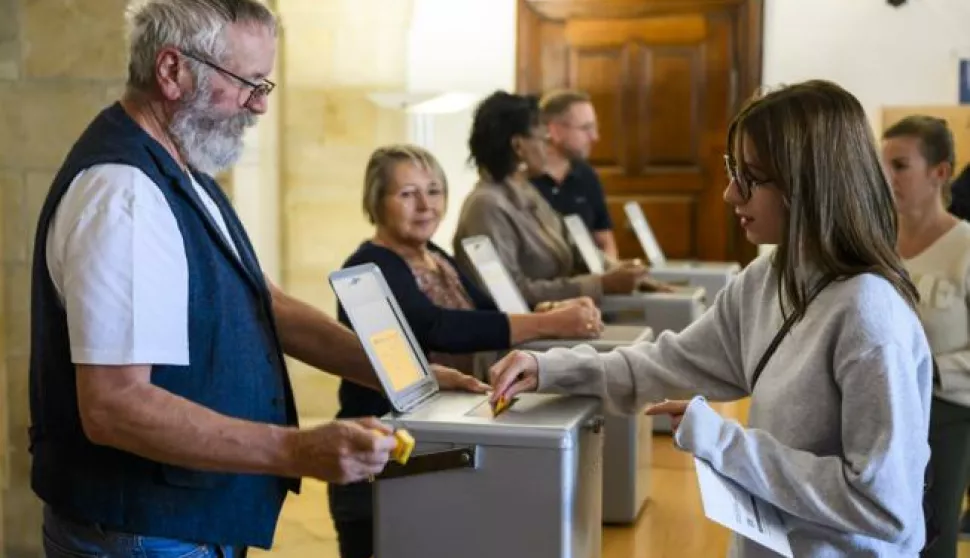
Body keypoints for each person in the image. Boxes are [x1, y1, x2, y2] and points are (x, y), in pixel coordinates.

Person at [28, 1, 482, 556]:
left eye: (265, 84)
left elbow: (267, 303)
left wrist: (409, 374)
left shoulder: (185, 171)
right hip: (147, 532)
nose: (261, 105)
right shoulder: (124, 194)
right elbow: (114, 406)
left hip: (187, 524)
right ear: (172, 71)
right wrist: (296, 450)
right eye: (248, 83)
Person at [489, 80, 934, 556]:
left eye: (751, 177)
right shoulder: (768, 277)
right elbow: (665, 363)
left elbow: (884, 506)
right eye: (732, 170)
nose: (728, 194)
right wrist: (551, 368)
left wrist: (723, 442)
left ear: (809, 180)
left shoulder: (869, 313)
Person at [327, 143, 604, 558]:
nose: (425, 205)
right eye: (407, 194)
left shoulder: (436, 257)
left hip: (438, 451)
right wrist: (548, 323)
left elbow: (489, 315)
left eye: (434, 191)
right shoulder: (368, 264)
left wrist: (550, 309)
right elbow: (439, 328)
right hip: (379, 461)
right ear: (376, 200)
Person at [452, 90, 666, 310]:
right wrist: (600, 284)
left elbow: (572, 246)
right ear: (518, 147)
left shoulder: (526, 191)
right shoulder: (486, 206)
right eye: (543, 139)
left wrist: (622, 271)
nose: (548, 147)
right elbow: (511, 294)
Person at [883, 115, 970, 558]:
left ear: (940, 172)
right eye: (882, 166)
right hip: (877, 409)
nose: (887, 178)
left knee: (930, 539)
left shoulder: (966, 248)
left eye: (900, 166)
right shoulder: (873, 244)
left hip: (946, 418)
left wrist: (927, 369)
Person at [531, 89, 618, 260]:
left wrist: (611, 277)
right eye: (586, 128)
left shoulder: (586, 175)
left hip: (591, 279)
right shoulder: (522, 181)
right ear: (553, 130)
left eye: (594, 127)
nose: (595, 137)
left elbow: (605, 241)